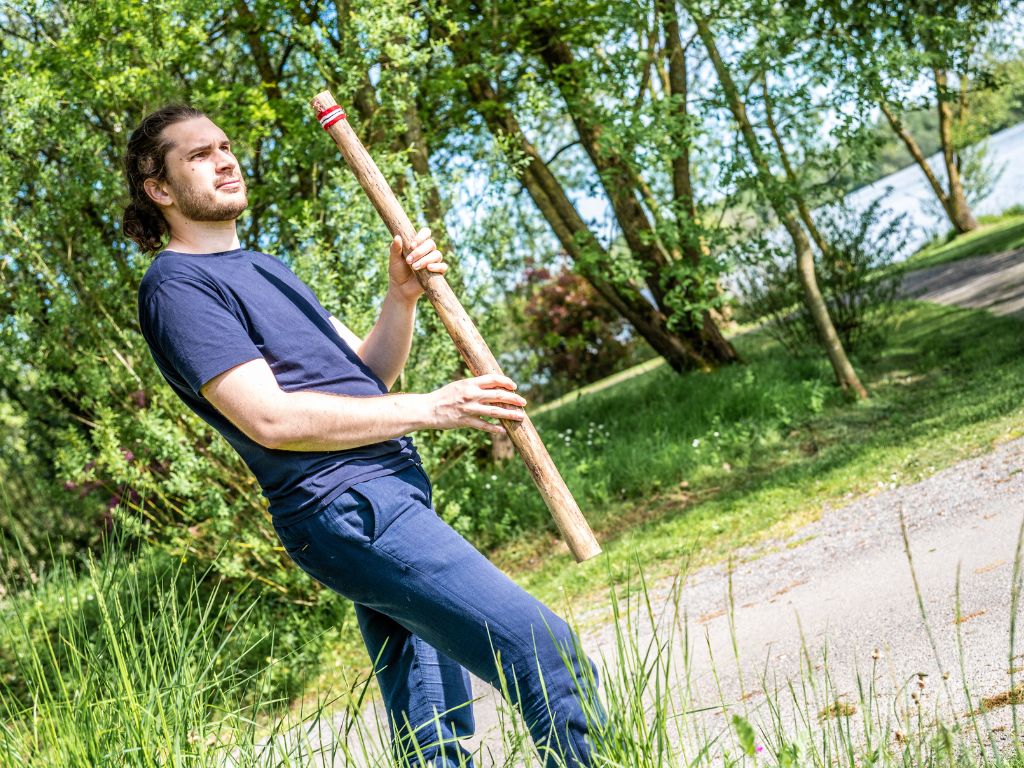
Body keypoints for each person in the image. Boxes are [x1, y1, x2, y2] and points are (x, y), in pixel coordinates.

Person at [123, 104, 601, 767]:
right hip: (345, 505)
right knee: (545, 650)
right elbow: (273, 420)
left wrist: (398, 297)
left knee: (433, 729)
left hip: (387, 493)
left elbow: (368, 373)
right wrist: (432, 407)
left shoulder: (264, 267)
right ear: (160, 188)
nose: (226, 159)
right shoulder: (178, 288)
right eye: (199, 155)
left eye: (227, 146)